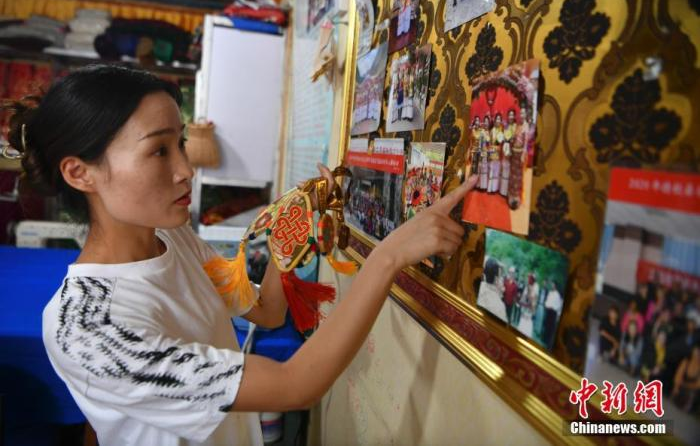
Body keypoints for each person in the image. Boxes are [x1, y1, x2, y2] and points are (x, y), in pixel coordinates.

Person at [4, 65, 478, 446]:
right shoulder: (86, 327)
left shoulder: (174, 239)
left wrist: (293, 220)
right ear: (80, 173)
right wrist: (388, 257)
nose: (186, 170)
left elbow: (267, 311)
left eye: (180, 143)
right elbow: (295, 385)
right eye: (159, 151)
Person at [476, 258, 508, 323]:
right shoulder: (499, 306)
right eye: (500, 277)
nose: (502, 281)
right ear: (496, 279)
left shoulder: (477, 287)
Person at [672, 343, 700, 413]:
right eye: (697, 351)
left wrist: (687, 386)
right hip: (681, 387)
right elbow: (678, 376)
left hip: (690, 390)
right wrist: (676, 387)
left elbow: (698, 385)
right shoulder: (686, 361)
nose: (698, 354)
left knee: (691, 394)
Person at [543, 281, 563, 349]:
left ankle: (548, 342)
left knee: (550, 327)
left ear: (555, 286)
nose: (552, 286)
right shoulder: (550, 293)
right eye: (551, 285)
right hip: (548, 311)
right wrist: (546, 305)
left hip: (553, 312)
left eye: (553, 285)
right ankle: (545, 339)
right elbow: (547, 301)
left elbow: (557, 305)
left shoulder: (557, 295)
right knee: (546, 325)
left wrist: (552, 307)